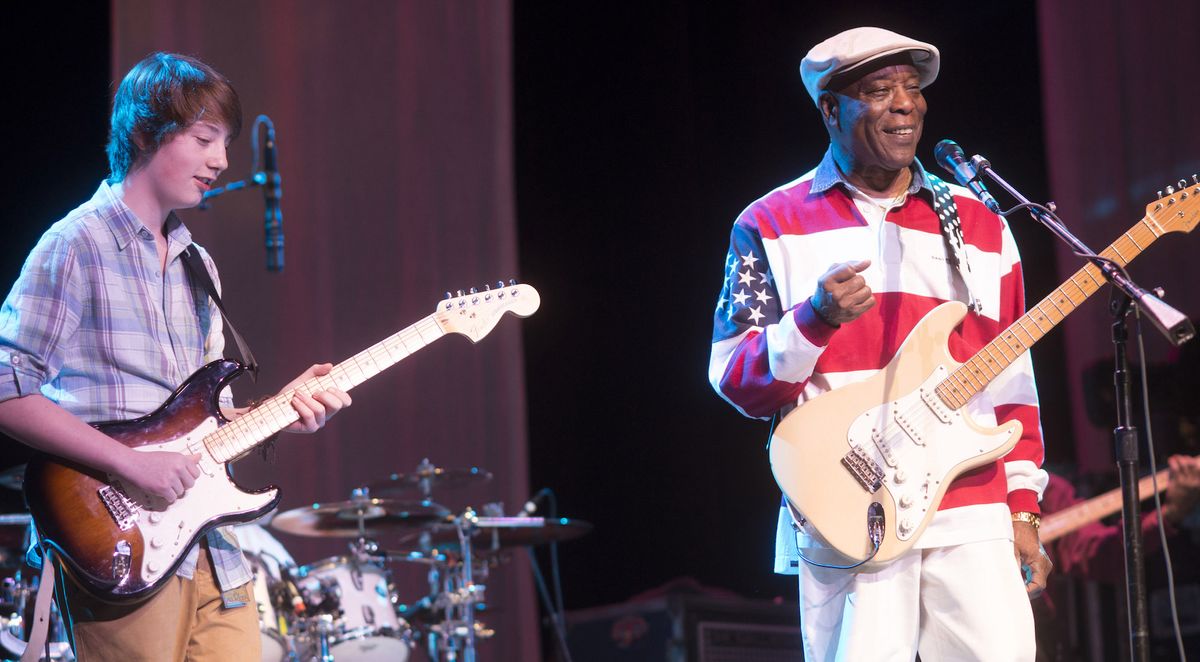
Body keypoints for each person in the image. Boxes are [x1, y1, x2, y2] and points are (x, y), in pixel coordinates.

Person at [708, 27, 1051, 660]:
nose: (905, 104)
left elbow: (1012, 376)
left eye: (913, 88)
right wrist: (813, 319)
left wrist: (1023, 506)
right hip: (850, 503)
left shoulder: (978, 222)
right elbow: (736, 380)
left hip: (969, 504)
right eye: (878, 90)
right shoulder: (769, 223)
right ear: (829, 109)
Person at [0, 52, 351, 660]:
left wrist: (284, 411)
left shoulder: (199, 265)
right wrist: (131, 464)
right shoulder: (75, 244)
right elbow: (7, 388)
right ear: (143, 132)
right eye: (204, 138)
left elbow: (207, 422)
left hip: (213, 549)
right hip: (121, 544)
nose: (221, 161)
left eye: (225, 143)